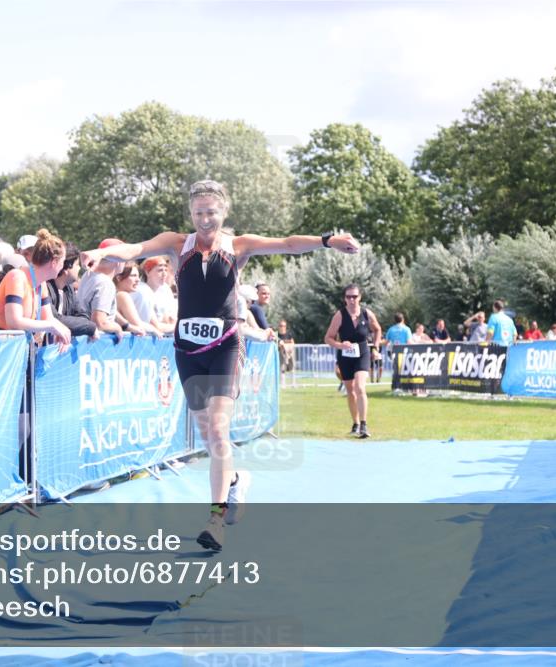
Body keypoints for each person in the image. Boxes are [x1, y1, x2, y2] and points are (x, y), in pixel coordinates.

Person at [81, 179, 360, 551]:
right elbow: (135, 248)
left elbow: (288, 243)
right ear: (191, 213)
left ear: (223, 212)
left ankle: (215, 519)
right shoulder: (176, 244)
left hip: (225, 345)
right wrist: (101, 253)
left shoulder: (238, 246)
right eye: (198, 213)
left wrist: (328, 241)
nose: (204, 219)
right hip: (187, 350)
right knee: (208, 435)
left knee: (216, 428)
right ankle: (235, 481)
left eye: (211, 212)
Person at [0, 229, 72, 350]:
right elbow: (14, 322)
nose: (63, 266)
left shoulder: (41, 284)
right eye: (63, 261)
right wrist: (51, 326)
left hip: (18, 349)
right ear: (54, 262)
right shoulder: (17, 277)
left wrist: (63, 331)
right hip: (2, 349)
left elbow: (48, 318)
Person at [324, 284, 382, 439]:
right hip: (345, 356)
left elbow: (377, 329)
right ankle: (355, 423)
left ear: (360, 297)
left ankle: (364, 424)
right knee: (350, 391)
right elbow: (328, 338)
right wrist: (340, 345)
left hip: (362, 352)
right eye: (348, 297)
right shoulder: (339, 315)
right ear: (345, 299)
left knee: (360, 387)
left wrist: (375, 347)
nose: (351, 300)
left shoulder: (367, 314)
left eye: (354, 297)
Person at [78, 238, 146, 339]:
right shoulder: (105, 283)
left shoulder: (88, 275)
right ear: (118, 261)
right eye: (124, 260)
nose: (125, 263)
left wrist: (126, 326)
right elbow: (100, 322)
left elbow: (102, 308)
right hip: (95, 344)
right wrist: (118, 328)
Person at [46, 243, 97, 338]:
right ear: (66, 268)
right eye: (77, 264)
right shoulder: (45, 287)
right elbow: (54, 319)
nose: (79, 268)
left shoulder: (69, 289)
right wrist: (90, 327)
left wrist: (73, 329)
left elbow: (83, 315)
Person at [132, 256, 176, 334]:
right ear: (147, 272)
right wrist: (177, 327)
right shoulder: (141, 291)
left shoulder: (165, 289)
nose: (164, 274)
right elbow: (156, 326)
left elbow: (169, 319)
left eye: (166, 270)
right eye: (160, 270)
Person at [114, 262, 156, 335]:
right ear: (119, 278)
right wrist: (154, 329)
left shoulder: (117, 295)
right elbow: (137, 324)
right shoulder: (123, 296)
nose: (138, 280)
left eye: (138, 276)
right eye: (133, 276)